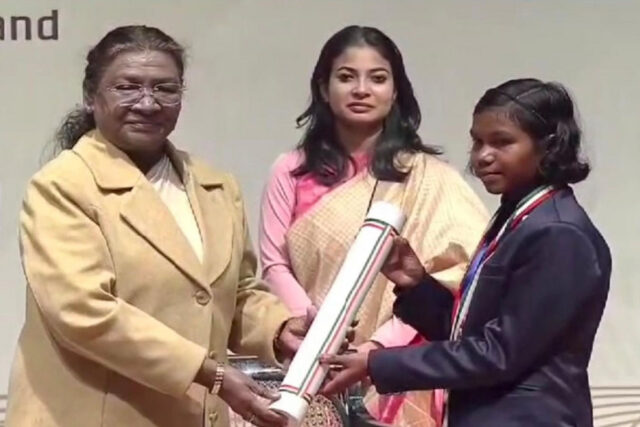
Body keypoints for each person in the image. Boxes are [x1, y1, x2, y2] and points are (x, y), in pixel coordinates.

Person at [6, 25, 313, 427]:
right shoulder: (62, 186)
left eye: (165, 89)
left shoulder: (215, 185)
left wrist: (279, 328)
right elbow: (83, 312)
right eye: (127, 87)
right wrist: (210, 374)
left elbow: (234, 294)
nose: (148, 103)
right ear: (90, 96)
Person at [320, 78, 612, 427]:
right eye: (477, 141)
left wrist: (377, 363)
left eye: (502, 142)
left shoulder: (558, 233)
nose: (482, 156)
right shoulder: (517, 219)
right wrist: (416, 285)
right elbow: (473, 336)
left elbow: (499, 354)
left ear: (549, 146)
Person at [259, 25, 488, 426]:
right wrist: (314, 331)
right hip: (309, 360)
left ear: (396, 91)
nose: (361, 90)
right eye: (346, 77)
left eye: (377, 78)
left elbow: (456, 277)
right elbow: (273, 262)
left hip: (400, 367)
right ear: (323, 87)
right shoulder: (291, 170)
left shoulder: (429, 178)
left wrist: (377, 349)